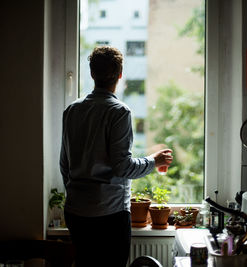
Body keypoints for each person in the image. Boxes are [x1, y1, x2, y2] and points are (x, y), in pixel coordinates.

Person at [59, 46, 173, 267]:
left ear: (92, 74)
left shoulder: (72, 110)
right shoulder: (119, 112)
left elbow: (65, 164)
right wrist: (154, 161)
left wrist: (78, 194)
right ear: (120, 75)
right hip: (109, 215)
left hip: (76, 212)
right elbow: (122, 167)